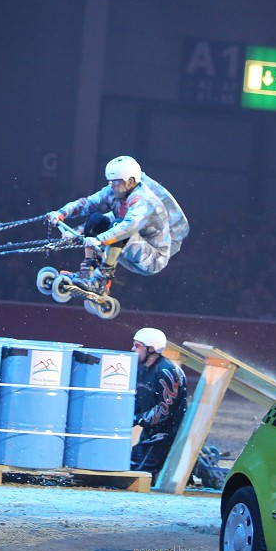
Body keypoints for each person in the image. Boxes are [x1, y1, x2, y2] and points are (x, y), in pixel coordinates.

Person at [47, 155, 188, 297]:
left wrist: (99, 239)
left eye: (115, 182)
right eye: (110, 181)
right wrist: (62, 213)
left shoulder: (145, 201)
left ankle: (101, 280)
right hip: (129, 246)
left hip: (153, 258)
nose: (111, 185)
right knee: (96, 219)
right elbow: (89, 203)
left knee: (118, 227)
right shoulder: (115, 192)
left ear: (130, 182)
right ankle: (88, 270)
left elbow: (128, 227)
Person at [130, 327, 189, 478]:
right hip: (150, 433)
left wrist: (136, 419)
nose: (132, 349)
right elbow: (139, 400)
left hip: (165, 435)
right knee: (128, 465)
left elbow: (164, 411)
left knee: (136, 473)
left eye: (137, 345)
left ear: (151, 348)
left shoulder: (167, 371)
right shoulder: (143, 369)